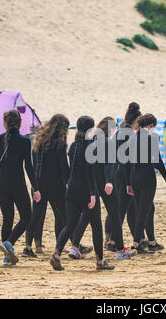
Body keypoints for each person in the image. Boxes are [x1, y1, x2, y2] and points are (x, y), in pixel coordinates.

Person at [50, 116, 114, 271]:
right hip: (86, 191)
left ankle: (56, 254)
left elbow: (74, 169)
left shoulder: (73, 146)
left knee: (70, 225)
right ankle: (100, 262)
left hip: (71, 189)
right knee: (96, 227)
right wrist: (93, 193)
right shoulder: (91, 146)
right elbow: (89, 171)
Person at [70, 117, 134, 260]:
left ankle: (74, 247)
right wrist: (109, 181)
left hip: (92, 183)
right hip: (105, 183)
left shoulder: (91, 141)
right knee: (115, 215)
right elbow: (109, 164)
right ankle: (120, 250)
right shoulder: (108, 142)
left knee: (86, 215)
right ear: (111, 129)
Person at [0, 110, 41, 266]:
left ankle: (7, 256)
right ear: (20, 123)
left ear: (5, 122)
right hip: (17, 184)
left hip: (1, 183)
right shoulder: (25, 142)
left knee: (8, 218)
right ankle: (9, 244)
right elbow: (29, 167)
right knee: (27, 216)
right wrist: (36, 187)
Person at [22, 114, 70, 258]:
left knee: (35, 215)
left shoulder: (39, 140)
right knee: (62, 215)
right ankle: (59, 246)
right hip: (55, 185)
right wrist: (68, 182)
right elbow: (63, 166)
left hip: (38, 183)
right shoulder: (60, 143)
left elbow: (34, 162)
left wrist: (35, 184)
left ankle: (28, 246)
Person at [126, 113, 166, 254]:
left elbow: (128, 162)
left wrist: (129, 183)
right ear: (151, 125)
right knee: (143, 211)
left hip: (135, 178)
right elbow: (157, 160)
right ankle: (137, 243)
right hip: (147, 178)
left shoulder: (133, 137)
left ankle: (152, 242)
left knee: (149, 208)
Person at [105, 103, 143, 251]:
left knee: (121, 209)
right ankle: (113, 242)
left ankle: (137, 239)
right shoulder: (130, 135)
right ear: (136, 120)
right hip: (125, 175)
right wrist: (130, 181)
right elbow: (129, 159)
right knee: (120, 210)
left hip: (115, 173)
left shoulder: (119, 132)